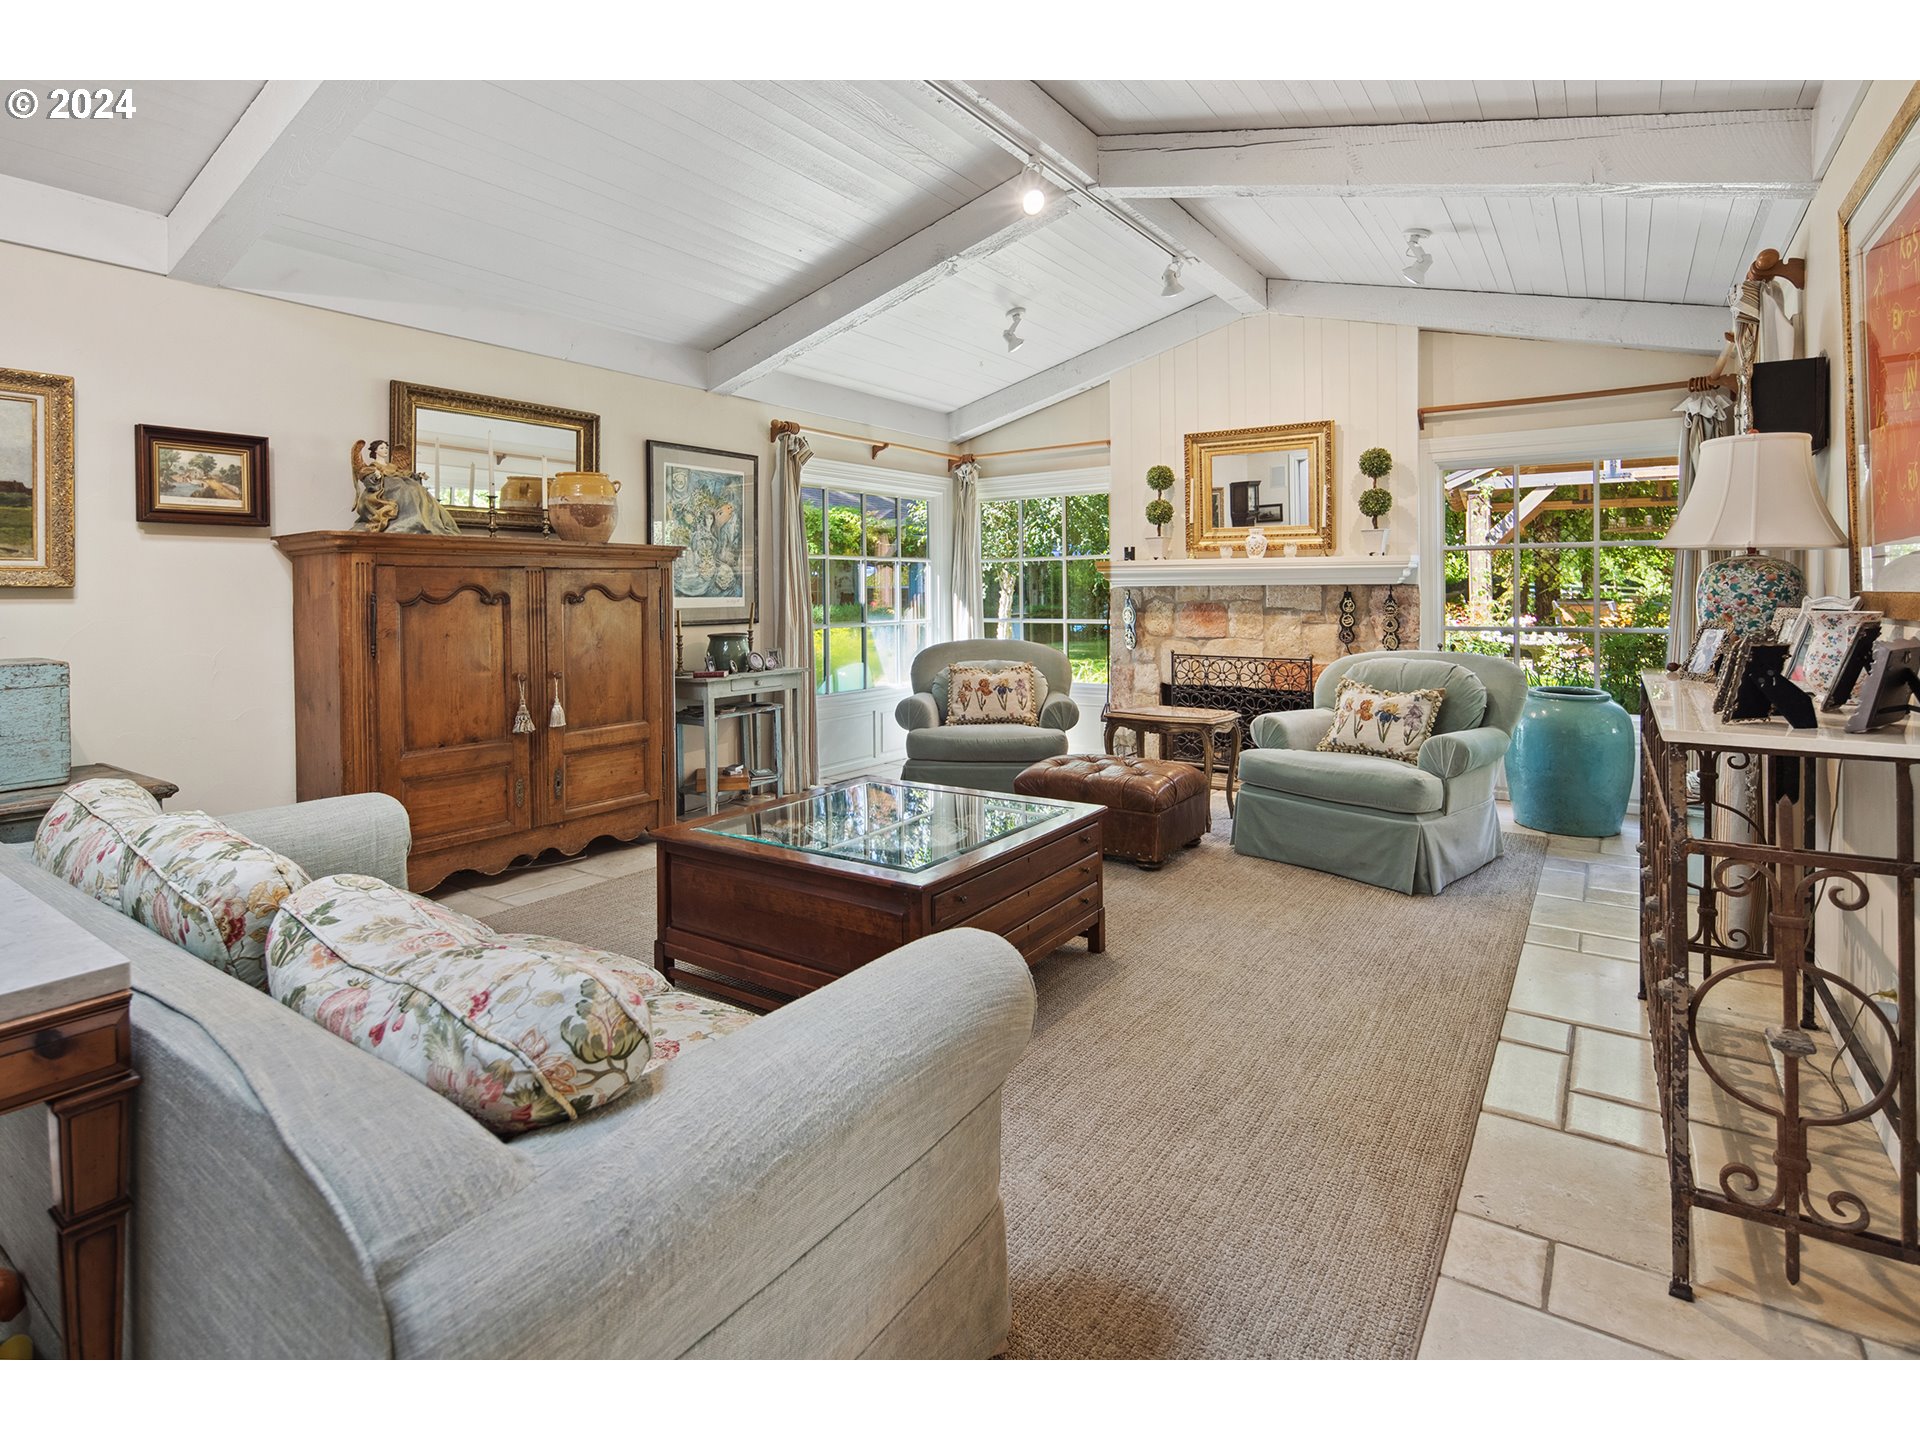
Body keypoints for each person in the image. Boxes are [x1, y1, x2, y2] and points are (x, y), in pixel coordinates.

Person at [350, 439, 461, 535]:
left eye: (385, 448)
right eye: (381, 448)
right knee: (405, 491)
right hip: (385, 488)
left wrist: (418, 476)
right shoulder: (373, 466)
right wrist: (375, 475)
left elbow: (404, 473)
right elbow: (366, 477)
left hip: (400, 484)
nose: (385, 450)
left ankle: (418, 521)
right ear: (375, 451)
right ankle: (409, 522)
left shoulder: (391, 466)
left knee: (416, 489)